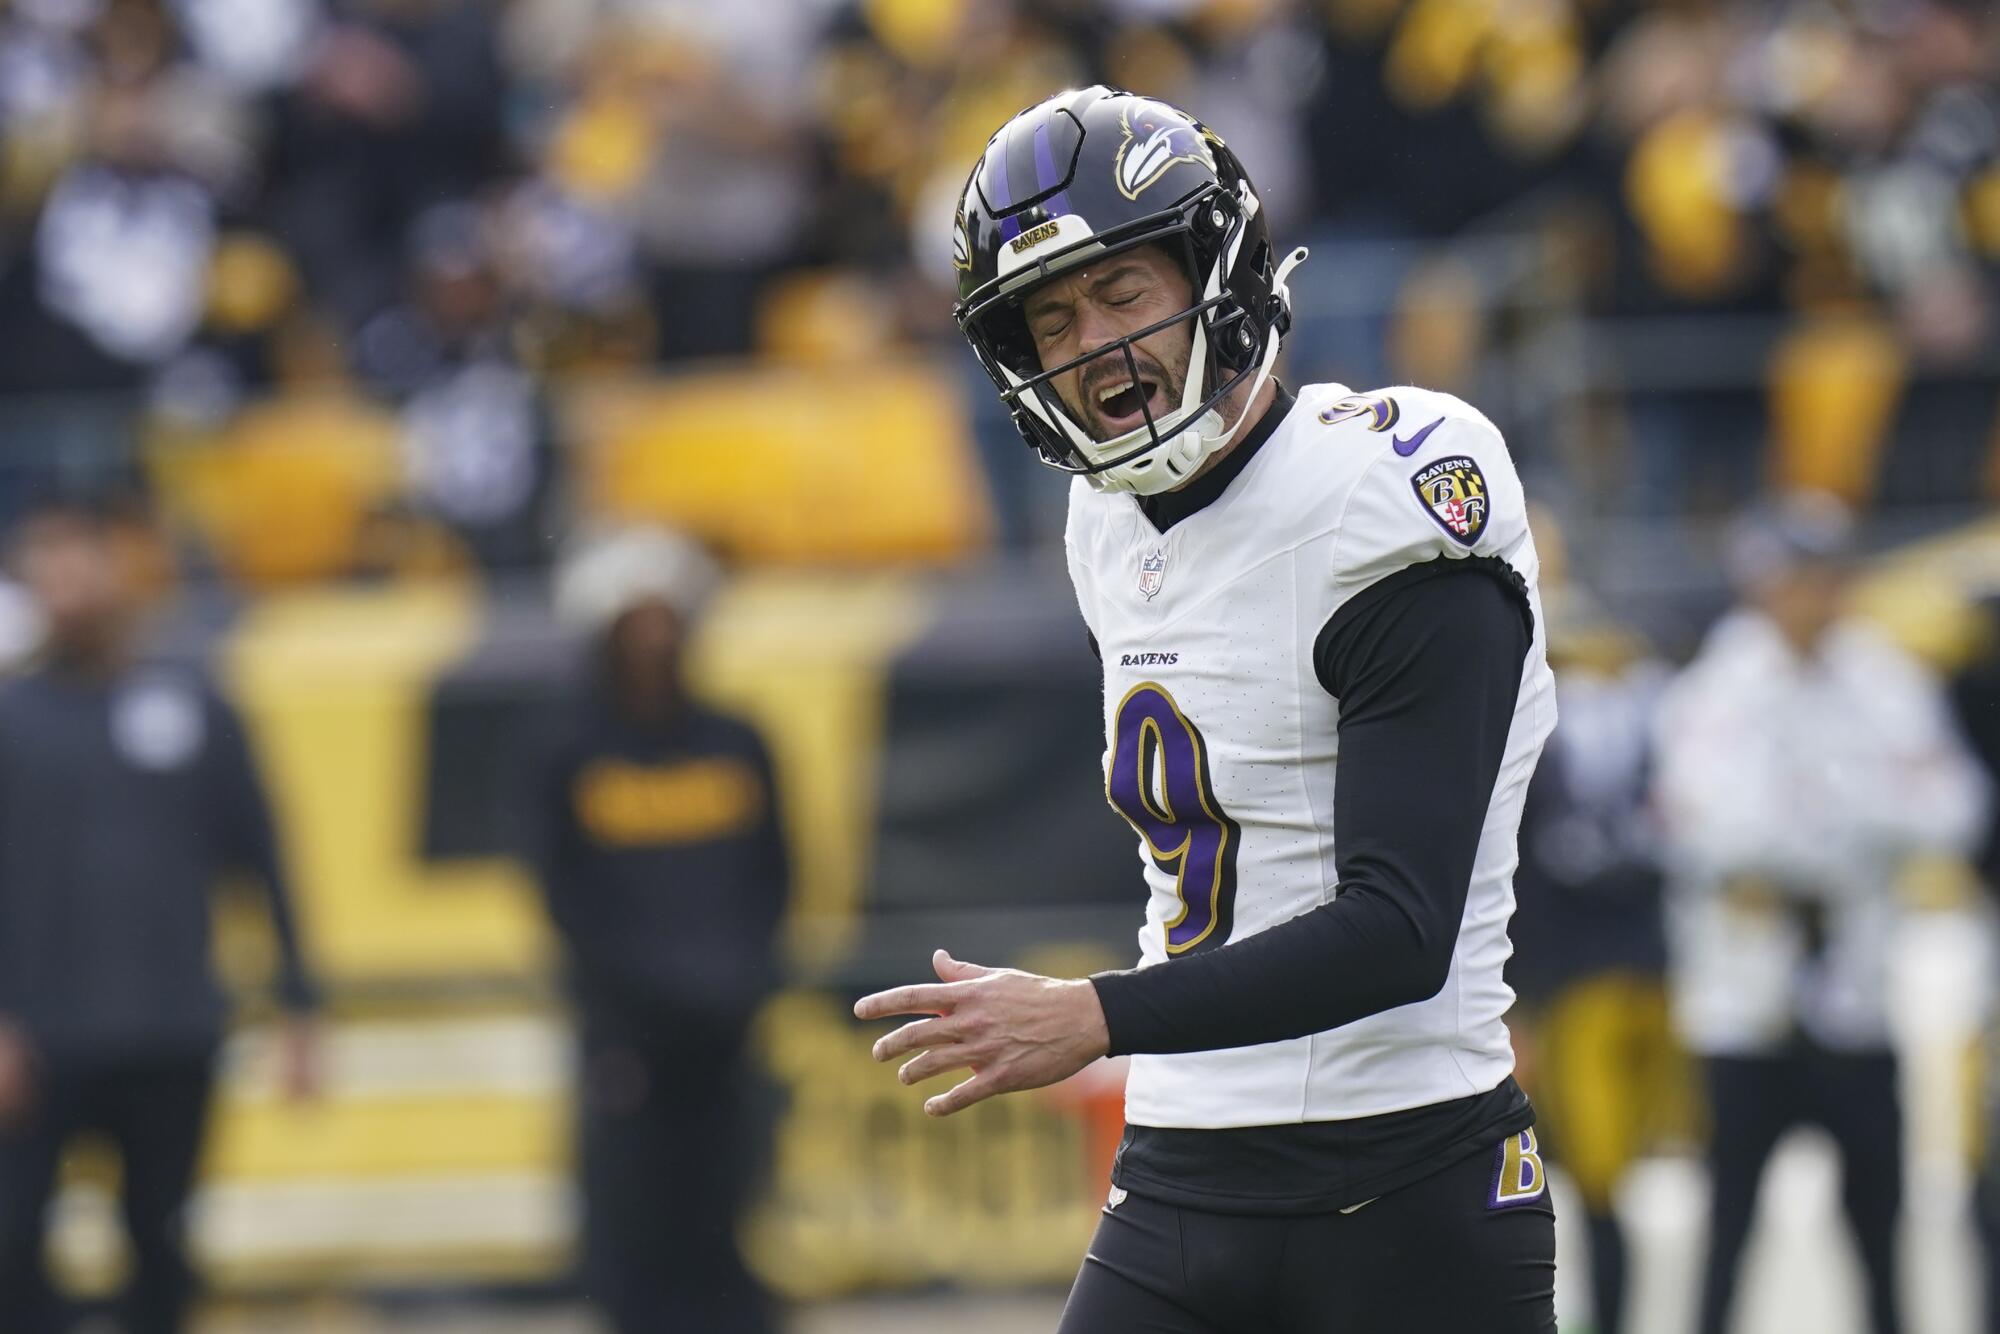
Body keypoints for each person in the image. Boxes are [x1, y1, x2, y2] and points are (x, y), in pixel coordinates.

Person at [855, 87, 1558, 1332]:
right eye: (1051, 319)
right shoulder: (1098, 520)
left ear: (1215, 271)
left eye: (1121, 293)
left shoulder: (1383, 486)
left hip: (1405, 1176)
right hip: (1182, 1166)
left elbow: (1399, 925)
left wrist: (1093, 1013)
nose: (1090, 345)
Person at [1652, 495, 1988, 1334]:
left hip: (1858, 990)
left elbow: (1958, 807)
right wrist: (1862, 828)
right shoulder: (1717, 687)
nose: (1815, 597)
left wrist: (1815, 830)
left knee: (1880, 1230)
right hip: (1745, 998)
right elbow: (1701, 828)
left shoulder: (1885, 679)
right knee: (1729, 1226)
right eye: (1798, 578)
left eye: (1827, 578)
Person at [0, 495, 320, 1334]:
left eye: (83, 557)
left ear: (121, 566)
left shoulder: (194, 704)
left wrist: (300, 1005)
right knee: (14, 1242)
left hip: (170, 1028)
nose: (67, 580)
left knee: (164, 1241)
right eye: (47, 561)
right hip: (37, 1041)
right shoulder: (10, 718)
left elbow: (264, 854)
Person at [526, 527, 787, 1334]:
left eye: (667, 619)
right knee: (632, 1227)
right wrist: (631, 1000)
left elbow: (776, 873)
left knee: (727, 1208)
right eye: (636, 622)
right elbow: (563, 896)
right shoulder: (568, 752)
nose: (655, 639)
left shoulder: (736, 741)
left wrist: (743, 978)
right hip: (625, 1039)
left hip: (727, 1029)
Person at [1507, 589, 1684, 1334]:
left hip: (1607, 981)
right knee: (1538, 1182)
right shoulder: (1531, 738)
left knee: (1603, 1181)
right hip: (1556, 986)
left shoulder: (1662, 728)